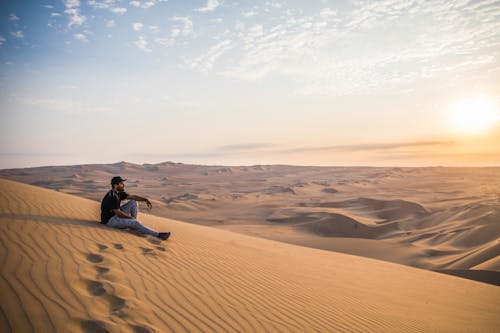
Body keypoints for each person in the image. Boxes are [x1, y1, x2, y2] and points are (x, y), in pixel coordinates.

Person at [100, 176, 171, 240]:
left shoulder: (118, 192)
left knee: (133, 202)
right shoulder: (113, 196)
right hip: (110, 221)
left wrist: (145, 199)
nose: (123, 185)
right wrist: (131, 218)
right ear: (115, 185)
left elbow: (133, 197)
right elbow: (118, 214)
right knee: (134, 222)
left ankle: (134, 226)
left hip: (115, 215)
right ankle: (158, 235)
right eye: (121, 183)